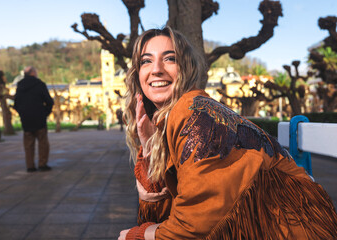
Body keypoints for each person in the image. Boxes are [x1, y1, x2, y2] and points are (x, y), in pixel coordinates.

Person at [118, 27, 337, 240]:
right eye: (146, 60)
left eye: (170, 59)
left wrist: (136, 235)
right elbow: (164, 212)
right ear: (137, 73)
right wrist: (148, 147)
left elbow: (197, 222)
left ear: (186, 68)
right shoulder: (178, 116)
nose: (156, 69)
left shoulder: (191, 109)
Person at [14, 66, 54, 172]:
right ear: (33, 73)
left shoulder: (20, 85)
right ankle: (42, 164)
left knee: (28, 144)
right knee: (43, 143)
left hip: (26, 119)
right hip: (39, 118)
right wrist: (45, 112)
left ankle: (30, 166)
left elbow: (16, 104)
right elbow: (49, 101)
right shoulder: (40, 84)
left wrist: (22, 114)